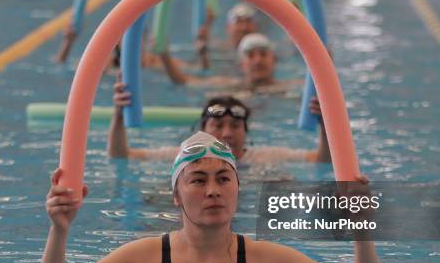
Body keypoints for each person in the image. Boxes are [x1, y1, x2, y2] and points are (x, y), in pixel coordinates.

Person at [38, 131, 381, 263]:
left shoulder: (271, 261)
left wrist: (360, 230)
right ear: (175, 196)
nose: (213, 190)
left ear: (237, 189)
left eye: (223, 179)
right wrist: (59, 232)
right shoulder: (141, 258)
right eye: (198, 180)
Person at [108, 85, 331, 164]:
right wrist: (118, 115)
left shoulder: (264, 157)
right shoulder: (184, 157)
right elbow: (121, 156)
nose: (226, 133)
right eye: (217, 125)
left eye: (235, 126)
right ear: (202, 130)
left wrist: (325, 123)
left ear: (246, 131)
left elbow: (321, 160)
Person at [159, 32, 303, 95]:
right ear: (241, 64)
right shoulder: (229, 85)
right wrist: (164, 54)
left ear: (274, 61)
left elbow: (322, 82)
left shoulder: (290, 86)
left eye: (263, 54)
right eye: (251, 55)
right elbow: (183, 81)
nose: (258, 60)